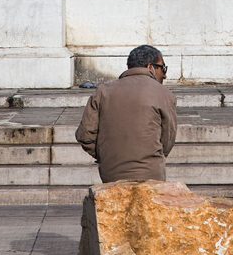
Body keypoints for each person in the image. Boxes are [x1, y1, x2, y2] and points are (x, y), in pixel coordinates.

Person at [75, 44, 177, 182]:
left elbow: (85, 135)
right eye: (163, 68)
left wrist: (106, 156)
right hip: (151, 174)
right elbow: (168, 139)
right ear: (150, 68)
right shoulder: (164, 94)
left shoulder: (103, 91)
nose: (165, 75)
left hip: (111, 173)